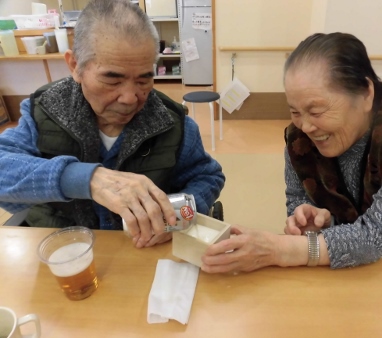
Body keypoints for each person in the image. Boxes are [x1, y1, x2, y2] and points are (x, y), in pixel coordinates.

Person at [201, 32, 382, 273]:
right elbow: (298, 200)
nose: (306, 127)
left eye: (316, 111)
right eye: (295, 111)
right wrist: (312, 220)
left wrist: (279, 249)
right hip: (352, 267)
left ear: (365, 94)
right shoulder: (298, 137)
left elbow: (375, 235)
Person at [0, 0, 225, 248]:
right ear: (75, 66)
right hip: (63, 249)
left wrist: (178, 215)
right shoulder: (44, 111)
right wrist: (85, 179)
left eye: (143, 80)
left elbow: (207, 177)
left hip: (143, 255)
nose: (130, 98)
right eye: (112, 79)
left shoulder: (173, 122)